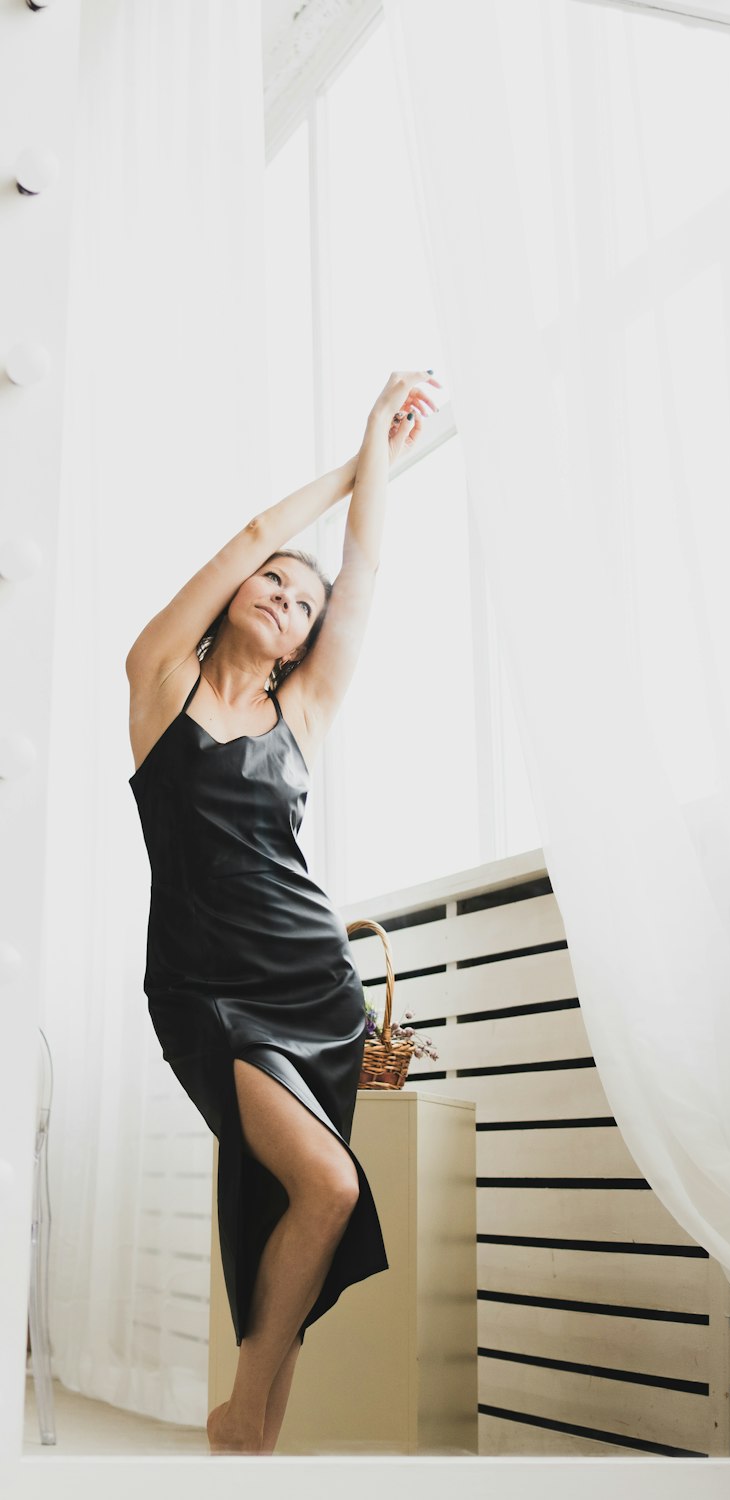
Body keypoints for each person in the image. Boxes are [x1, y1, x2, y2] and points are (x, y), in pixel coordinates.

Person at [126, 369, 442, 1455]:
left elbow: (363, 567)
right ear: (233, 596)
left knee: (297, 1209)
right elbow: (264, 528)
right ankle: (244, 1425)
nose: (288, 597)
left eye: (303, 605)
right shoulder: (159, 682)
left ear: (309, 643)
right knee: (328, 1184)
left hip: (316, 988)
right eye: (271, 583)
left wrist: (380, 483)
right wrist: (365, 448)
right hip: (206, 990)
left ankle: (249, 1439)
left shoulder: (300, 709)